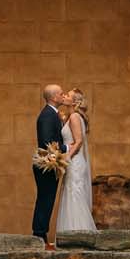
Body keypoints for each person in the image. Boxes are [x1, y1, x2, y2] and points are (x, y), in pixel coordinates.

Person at [56, 88, 96, 234]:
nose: (65, 96)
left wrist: (67, 157)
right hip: (74, 161)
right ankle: (71, 231)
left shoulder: (74, 117)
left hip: (75, 161)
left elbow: (78, 142)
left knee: (74, 196)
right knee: (71, 195)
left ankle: (78, 232)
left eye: (68, 95)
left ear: (74, 101)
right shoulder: (71, 116)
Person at [32, 82, 66, 242]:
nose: (63, 95)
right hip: (46, 164)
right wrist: (66, 147)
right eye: (61, 93)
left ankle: (40, 233)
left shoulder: (53, 114)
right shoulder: (47, 115)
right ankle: (39, 234)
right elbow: (47, 143)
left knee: (48, 199)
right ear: (53, 97)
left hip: (50, 163)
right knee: (46, 199)